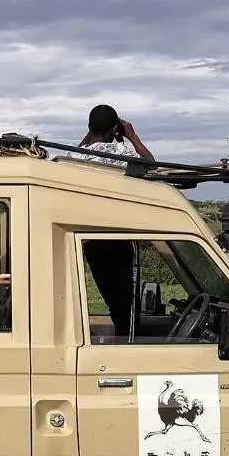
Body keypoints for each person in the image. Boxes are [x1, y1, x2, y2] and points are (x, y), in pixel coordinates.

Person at [77, 104, 154, 339]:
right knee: (126, 302)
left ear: (90, 129)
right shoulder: (120, 154)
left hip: (90, 237)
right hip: (119, 235)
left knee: (111, 297)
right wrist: (131, 134)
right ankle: (128, 344)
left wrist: (93, 133)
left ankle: (121, 335)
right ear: (114, 129)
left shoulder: (72, 155)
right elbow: (150, 163)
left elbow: (82, 147)